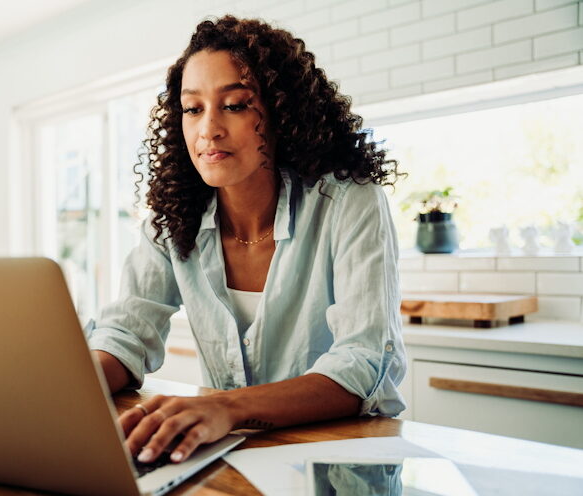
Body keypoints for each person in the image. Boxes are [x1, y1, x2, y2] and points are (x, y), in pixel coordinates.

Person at [87, 15, 406, 466]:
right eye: (193, 109)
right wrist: (65, 388)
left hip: (347, 461)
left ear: (282, 112)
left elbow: (363, 361)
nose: (208, 130)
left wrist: (228, 407)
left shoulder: (349, 203)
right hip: (234, 454)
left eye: (234, 105)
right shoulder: (171, 223)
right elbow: (126, 333)